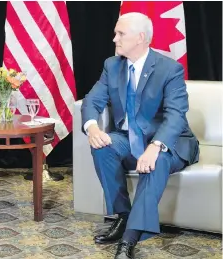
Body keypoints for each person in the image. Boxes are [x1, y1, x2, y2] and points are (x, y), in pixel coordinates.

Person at [81, 12, 199, 259]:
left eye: (120, 34)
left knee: (156, 161)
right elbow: (92, 100)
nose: (114, 39)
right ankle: (124, 216)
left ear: (141, 38)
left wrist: (156, 146)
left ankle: (129, 239)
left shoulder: (169, 69)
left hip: (170, 143)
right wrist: (92, 127)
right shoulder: (112, 65)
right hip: (129, 139)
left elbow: (176, 116)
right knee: (103, 146)